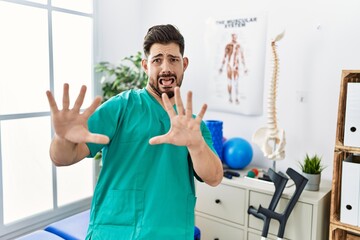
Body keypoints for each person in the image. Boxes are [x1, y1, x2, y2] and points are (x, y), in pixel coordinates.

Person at [46, 24, 223, 240]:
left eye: (173, 59)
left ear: (184, 64)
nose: (166, 67)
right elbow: (62, 158)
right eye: (157, 59)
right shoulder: (121, 107)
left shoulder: (193, 125)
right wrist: (63, 138)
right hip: (114, 231)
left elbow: (214, 177)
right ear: (145, 66)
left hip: (170, 232)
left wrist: (195, 146)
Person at [219, 33, 248, 104]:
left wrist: (245, 68)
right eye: (233, 37)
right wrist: (221, 67)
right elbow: (224, 57)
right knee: (229, 82)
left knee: (236, 83)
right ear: (232, 37)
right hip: (229, 65)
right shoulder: (228, 46)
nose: (234, 38)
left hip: (236, 66)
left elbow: (242, 57)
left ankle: (236, 98)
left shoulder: (239, 46)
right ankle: (230, 97)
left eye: (235, 37)